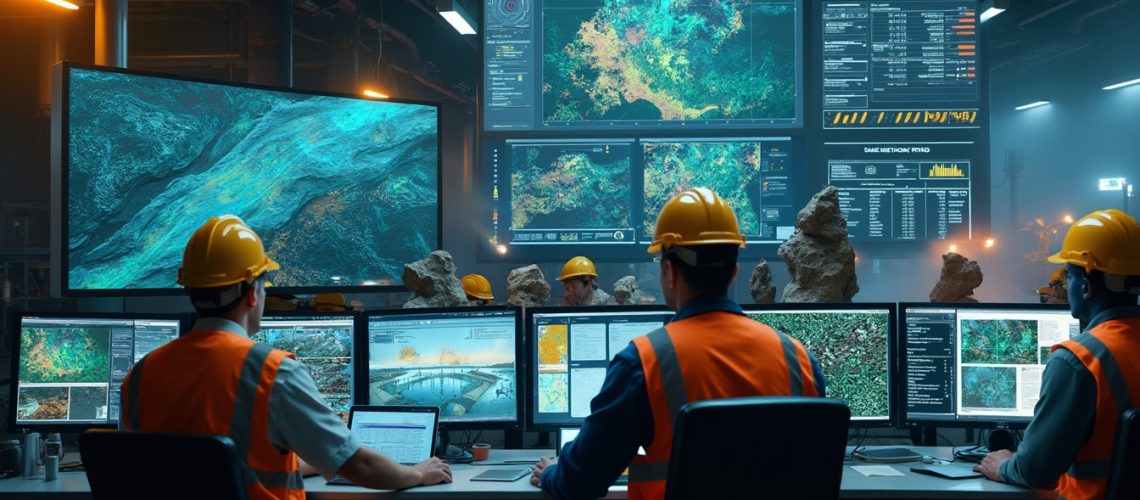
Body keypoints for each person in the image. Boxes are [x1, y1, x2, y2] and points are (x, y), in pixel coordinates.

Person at [119, 215, 451, 499]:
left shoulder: (139, 375)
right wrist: (418, 474)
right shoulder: (272, 372)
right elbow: (361, 466)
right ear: (253, 293)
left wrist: (322, 458)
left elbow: (205, 469)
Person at [532, 188, 827, 499]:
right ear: (734, 272)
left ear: (669, 272)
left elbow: (581, 480)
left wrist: (552, 470)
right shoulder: (800, 359)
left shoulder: (642, 363)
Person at [975, 209, 1140, 498]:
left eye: (1068, 278)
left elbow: (1035, 472)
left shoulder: (1079, 361)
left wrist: (1002, 465)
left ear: (1086, 286)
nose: (1065, 286)